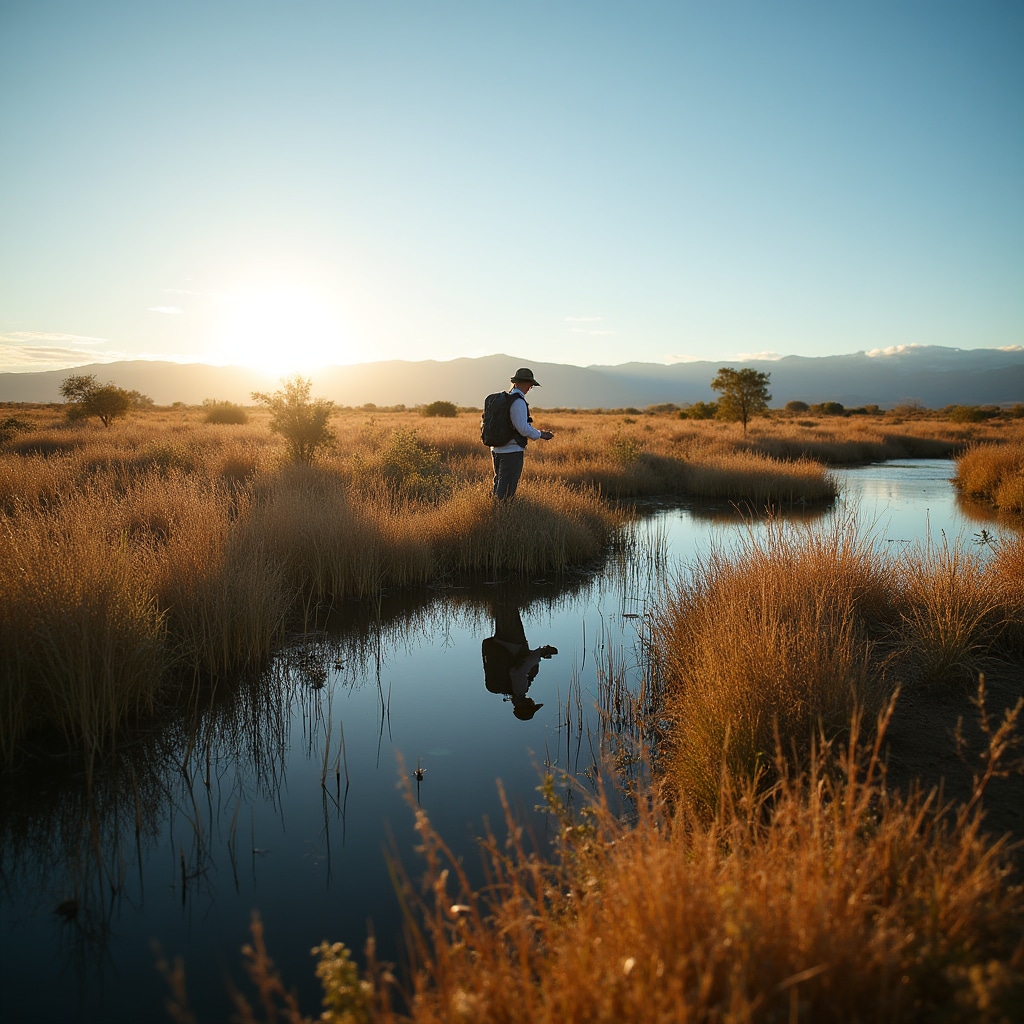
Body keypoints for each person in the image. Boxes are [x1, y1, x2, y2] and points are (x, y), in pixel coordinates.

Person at [481, 591, 557, 721]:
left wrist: (541, 653)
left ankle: (508, 585)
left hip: (512, 642)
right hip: (501, 642)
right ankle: (496, 587)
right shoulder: (508, 689)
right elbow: (520, 662)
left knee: (509, 605)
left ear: (525, 706)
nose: (533, 702)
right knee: (502, 608)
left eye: (532, 706)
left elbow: (518, 670)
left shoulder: (520, 690)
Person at [490, 367, 555, 500]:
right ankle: (502, 512)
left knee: (499, 485)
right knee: (506, 492)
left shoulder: (504, 399)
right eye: (530, 384)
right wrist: (541, 434)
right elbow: (523, 428)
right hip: (512, 451)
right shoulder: (518, 401)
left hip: (496, 449)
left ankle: (495, 510)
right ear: (524, 383)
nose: (530, 388)